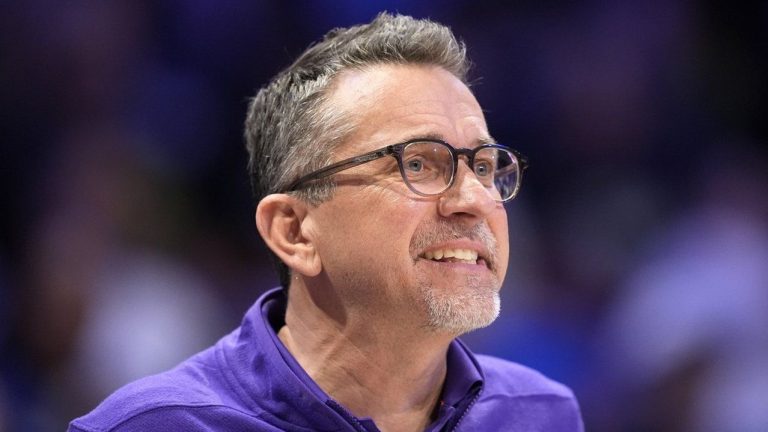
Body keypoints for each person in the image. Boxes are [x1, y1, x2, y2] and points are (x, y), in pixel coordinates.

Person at [69, 12, 583, 431]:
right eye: (420, 164)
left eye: (486, 167)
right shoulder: (155, 427)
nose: (474, 198)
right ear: (293, 231)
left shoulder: (541, 415)